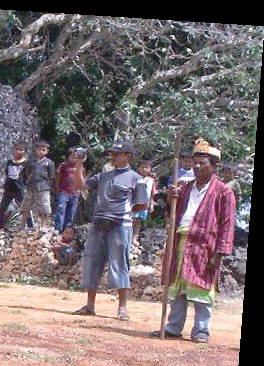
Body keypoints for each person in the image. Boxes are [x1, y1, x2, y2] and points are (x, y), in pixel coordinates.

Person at [150, 139, 235, 344]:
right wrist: (172, 199)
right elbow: (174, 213)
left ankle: (201, 331)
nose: (197, 167)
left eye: (202, 163)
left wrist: (220, 252)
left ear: (215, 167)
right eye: (195, 162)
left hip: (205, 245)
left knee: (202, 289)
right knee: (178, 286)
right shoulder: (185, 188)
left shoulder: (224, 192)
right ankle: (173, 327)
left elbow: (227, 223)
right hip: (181, 240)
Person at [71, 140, 150, 320]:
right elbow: (80, 186)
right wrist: (78, 166)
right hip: (99, 223)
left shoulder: (136, 179)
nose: (112, 157)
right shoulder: (103, 176)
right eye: (112, 154)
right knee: (92, 262)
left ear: (127, 157)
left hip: (120, 226)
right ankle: (90, 305)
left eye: (116, 154)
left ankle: (122, 308)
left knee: (119, 264)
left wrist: (125, 213)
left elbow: (142, 204)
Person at [0, 141, 30, 229]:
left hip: (20, 189)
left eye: (21, 150)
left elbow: (28, 176)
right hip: (9, 188)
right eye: (16, 149)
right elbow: (6, 173)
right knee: (3, 207)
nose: (18, 151)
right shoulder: (10, 162)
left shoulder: (26, 164)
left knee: (24, 207)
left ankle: (30, 225)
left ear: (25, 151)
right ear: (13, 150)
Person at [19, 140, 54, 231]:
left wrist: (48, 186)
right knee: (26, 206)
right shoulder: (31, 162)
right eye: (39, 149)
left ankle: (43, 225)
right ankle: (22, 224)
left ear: (47, 151)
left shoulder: (49, 163)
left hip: (43, 188)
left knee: (44, 207)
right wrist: (27, 180)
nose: (41, 151)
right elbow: (26, 172)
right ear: (36, 150)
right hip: (31, 187)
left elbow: (51, 176)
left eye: (44, 150)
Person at [54, 147, 83, 232]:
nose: (75, 158)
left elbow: (82, 180)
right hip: (64, 191)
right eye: (73, 156)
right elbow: (58, 178)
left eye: (77, 156)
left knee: (71, 214)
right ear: (69, 156)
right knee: (61, 210)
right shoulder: (63, 166)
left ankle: (66, 231)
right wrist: (57, 190)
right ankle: (58, 229)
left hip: (75, 193)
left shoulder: (80, 168)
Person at [131, 159, 156, 245]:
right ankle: (128, 236)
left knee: (139, 221)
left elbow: (152, 193)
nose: (144, 169)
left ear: (150, 169)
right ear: (138, 168)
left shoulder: (151, 180)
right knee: (131, 219)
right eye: (142, 167)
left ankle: (135, 237)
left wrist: (151, 204)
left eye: (146, 167)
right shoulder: (134, 178)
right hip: (134, 203)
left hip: (144, 204)